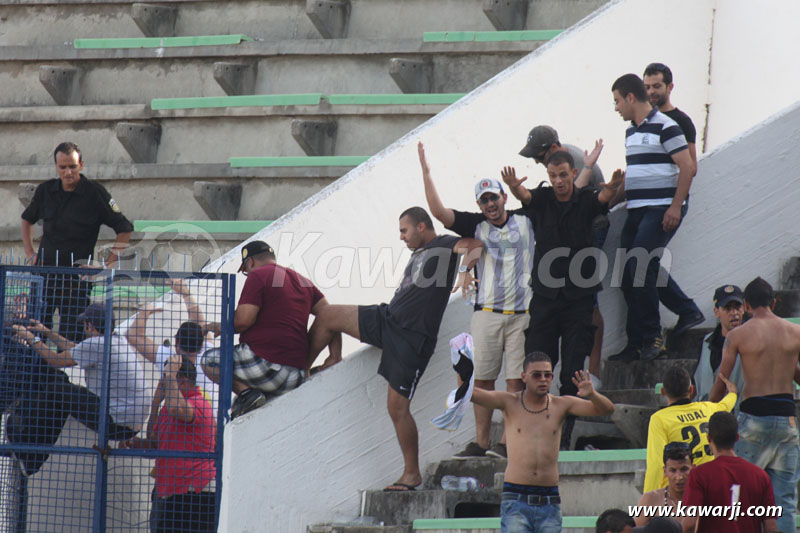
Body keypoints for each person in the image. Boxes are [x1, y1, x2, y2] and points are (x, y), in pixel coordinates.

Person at [308, 206, 483, 491]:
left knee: (397, 408)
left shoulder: (443, 244)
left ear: (422, 227)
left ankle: (411, 474)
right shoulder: (418, 254)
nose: (401, 237)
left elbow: (475, 244)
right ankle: (314, 366)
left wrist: (464, 272)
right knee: (327, 315)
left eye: (404, 230)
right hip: (388, 319)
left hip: (411, 339)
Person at [418, 141, 534, 459]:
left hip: (522, 313)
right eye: (484, 201)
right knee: (481, 381)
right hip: (486, 313)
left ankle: (508, 444)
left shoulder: (526, 220)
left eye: (494, 198)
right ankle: (482, 443)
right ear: (480, 204)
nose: (490, 205)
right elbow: (440, 214)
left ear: (503, 198)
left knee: (515, 383)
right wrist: (427, 174)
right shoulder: (477, 225)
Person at [502, 148, 623, 448]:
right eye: (553, 176)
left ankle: (563, 438)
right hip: (544, 298)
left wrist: (612, 187)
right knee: (537, 365)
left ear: (572, 174)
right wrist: (515, 186)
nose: (558, 181)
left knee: (572, 372)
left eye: (563, 175)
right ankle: (530, 434)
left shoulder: (584, 200)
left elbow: (602, 200)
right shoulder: (542, 200)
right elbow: (525, 198)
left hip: (578, 299)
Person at [459, 352, 614, 532]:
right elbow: (470, 394)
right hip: (516, 498)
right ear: (524, 377)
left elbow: (607, 409)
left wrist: (592, 394)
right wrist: (463, 374)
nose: (543, 379)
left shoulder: (561, 404)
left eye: (547, 375)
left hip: (549, 500)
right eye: (536, 374)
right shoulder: (510, 402)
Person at [608, 74, 701, 362]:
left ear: (630, 98)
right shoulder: (631, 133)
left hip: (661, 207)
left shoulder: (667, 126)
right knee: (627, 273)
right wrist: (610, 195)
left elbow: (687, 167)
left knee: (640, 265)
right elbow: (636, 174)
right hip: (637, 208)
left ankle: (652, 337)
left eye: (617, 101)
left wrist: (675, 206)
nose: (616, 108)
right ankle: (640, 340)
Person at [201, 240, 341, 420]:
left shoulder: (258, 275)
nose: (247, 273)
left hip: (265, 366)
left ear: (250, 262)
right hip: (296, 375)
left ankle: (246, 394)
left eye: (245, 270)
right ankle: (253, 394)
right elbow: (330, 313)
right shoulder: (302, 280)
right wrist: (334, 355)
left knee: (209, 360)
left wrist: (222, 326)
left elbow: (244, 320)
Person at [8, 303, 149, 476]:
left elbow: (56, 360)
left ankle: (30, 455)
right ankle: (29, 447)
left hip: (116, 423)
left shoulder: (99, 344)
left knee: (58, 390)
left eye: (85, 324)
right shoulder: (114, 340)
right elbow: (75, 348)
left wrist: (30, 337)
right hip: (124, 422)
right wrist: (45, 331)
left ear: (90, 325)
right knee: (59, 380)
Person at [710, 276, 800, 533]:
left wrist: (708, 406)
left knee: (742, 495)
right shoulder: (795, 332)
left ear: (746, 305)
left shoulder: (739, 335)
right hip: (787, 419)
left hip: (753, 419)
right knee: (784, 500)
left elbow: (722, 378)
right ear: (774, 302)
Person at [518, 126, 607, 382]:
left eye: (539, 155)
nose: (536, 161)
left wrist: (588, 168)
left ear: (554, 148)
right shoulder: (567, 162)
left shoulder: (573, 161)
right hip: (567, 237)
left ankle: (591, 372)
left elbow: (571, 195)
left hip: (588, 228)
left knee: (586, 303)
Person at [20, 142, 133, 342]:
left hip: (75, 281)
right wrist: (30, 253)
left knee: (72, 339)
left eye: (72, 166)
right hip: (45, 275)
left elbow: (124, 228)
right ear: (56, 167)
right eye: (63, 167)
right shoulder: (46, 191)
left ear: (81, 164)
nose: (68, 172)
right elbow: (27, 219)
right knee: (34, 332)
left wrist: (108, 264)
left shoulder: (95, 193)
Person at [121, 356, 216, 532]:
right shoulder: (168, 407)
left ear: (181, 380)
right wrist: (156, 403)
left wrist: (171, 374)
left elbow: (177, 409)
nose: (162, 381)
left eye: (165, 377)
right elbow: (154, 439)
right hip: (171, 491)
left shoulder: (197, 402)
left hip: (193, 492)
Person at [682, 411, 778, 533]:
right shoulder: (760, 476)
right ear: (737, 437)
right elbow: (771, 527)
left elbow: (690, 523)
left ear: (709, 438)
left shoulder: (699, 474)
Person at [643, 365, 736, 492]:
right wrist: (733, 393)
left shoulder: (659, 419)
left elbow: (656, 465)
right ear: (691, 389)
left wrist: (649, 499)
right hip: (714, 485)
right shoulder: (708, 408)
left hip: (682, 490)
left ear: (663, 391)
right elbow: (726, 405)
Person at [126, 278, 218, 401]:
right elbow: (200, 323)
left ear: (176, 343)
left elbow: (133, 335)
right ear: (201, 345)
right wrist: (186, 294)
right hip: (207, 416)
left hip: (175, 418)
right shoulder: (209, 356)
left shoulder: (168, 360)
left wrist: (144, 312)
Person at [692, 285, 745, 410]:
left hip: (737, 419)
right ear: (717, 312)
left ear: (743, 308)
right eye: (728, 308)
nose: (734, 313)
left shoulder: (750, 342)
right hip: (705, 420)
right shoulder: (705, 342)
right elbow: (695, 382)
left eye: (737, 307)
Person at [642, 63, 698, 177]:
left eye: (656, 86)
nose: (651, 91)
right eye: (647, 87)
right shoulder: (642, 120)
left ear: (670, 87)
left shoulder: (683, 121)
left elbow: (692, 167)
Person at [635, 443, 693, 526]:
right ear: (665, 471)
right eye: (673, 470)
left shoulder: (705, 500)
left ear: (694, 469)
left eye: (684, 469)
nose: (679, 477)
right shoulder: (650, 500)